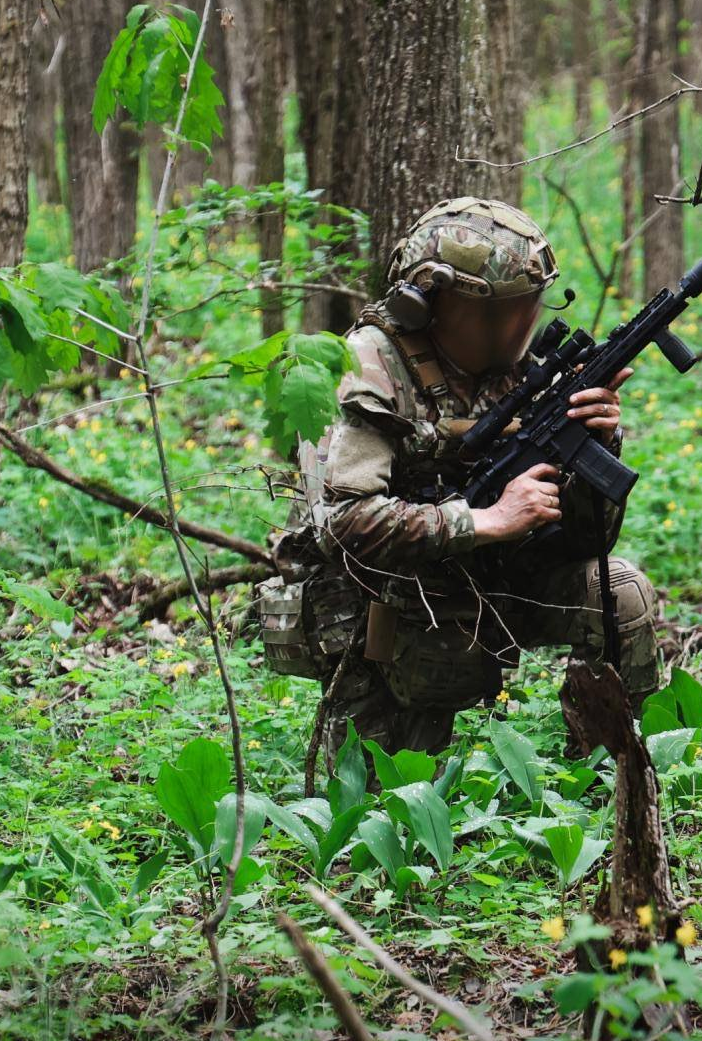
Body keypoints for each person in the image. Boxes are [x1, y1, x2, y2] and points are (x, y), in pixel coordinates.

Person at [260, 195, 661, 775]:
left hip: (491, 582)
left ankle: (617, 777)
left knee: (619, 593)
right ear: (431, 303)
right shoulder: (366, 368)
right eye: (500, 310)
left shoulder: (521, 370)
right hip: (390, 613)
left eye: (531, 304)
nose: (523, 324)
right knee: (383, 804)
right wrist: (486, 521)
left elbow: (585, 543)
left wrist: (594, 443)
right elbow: (342, 527)